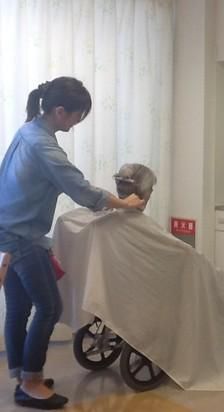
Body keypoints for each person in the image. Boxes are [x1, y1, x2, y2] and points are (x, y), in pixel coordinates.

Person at [0, 77, 145, 410]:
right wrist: (126, 204)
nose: (79, 121)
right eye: (79, 115)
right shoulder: (43, 146)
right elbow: (81, 189)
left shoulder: (28, 130)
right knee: (49, 306)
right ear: (61, 111)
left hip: (7, 228)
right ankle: (31, 383)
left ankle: (23, 376)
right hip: (22, 236)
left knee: (20, 308)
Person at [53, 164, 224, 391]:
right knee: (216, 283)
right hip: (148, 292)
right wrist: (206, 266)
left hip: (123, 290)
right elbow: (184, 255)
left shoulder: (101, 220)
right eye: (151, 190)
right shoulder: (134, 226)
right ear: (144, 192)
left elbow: (66, 222)